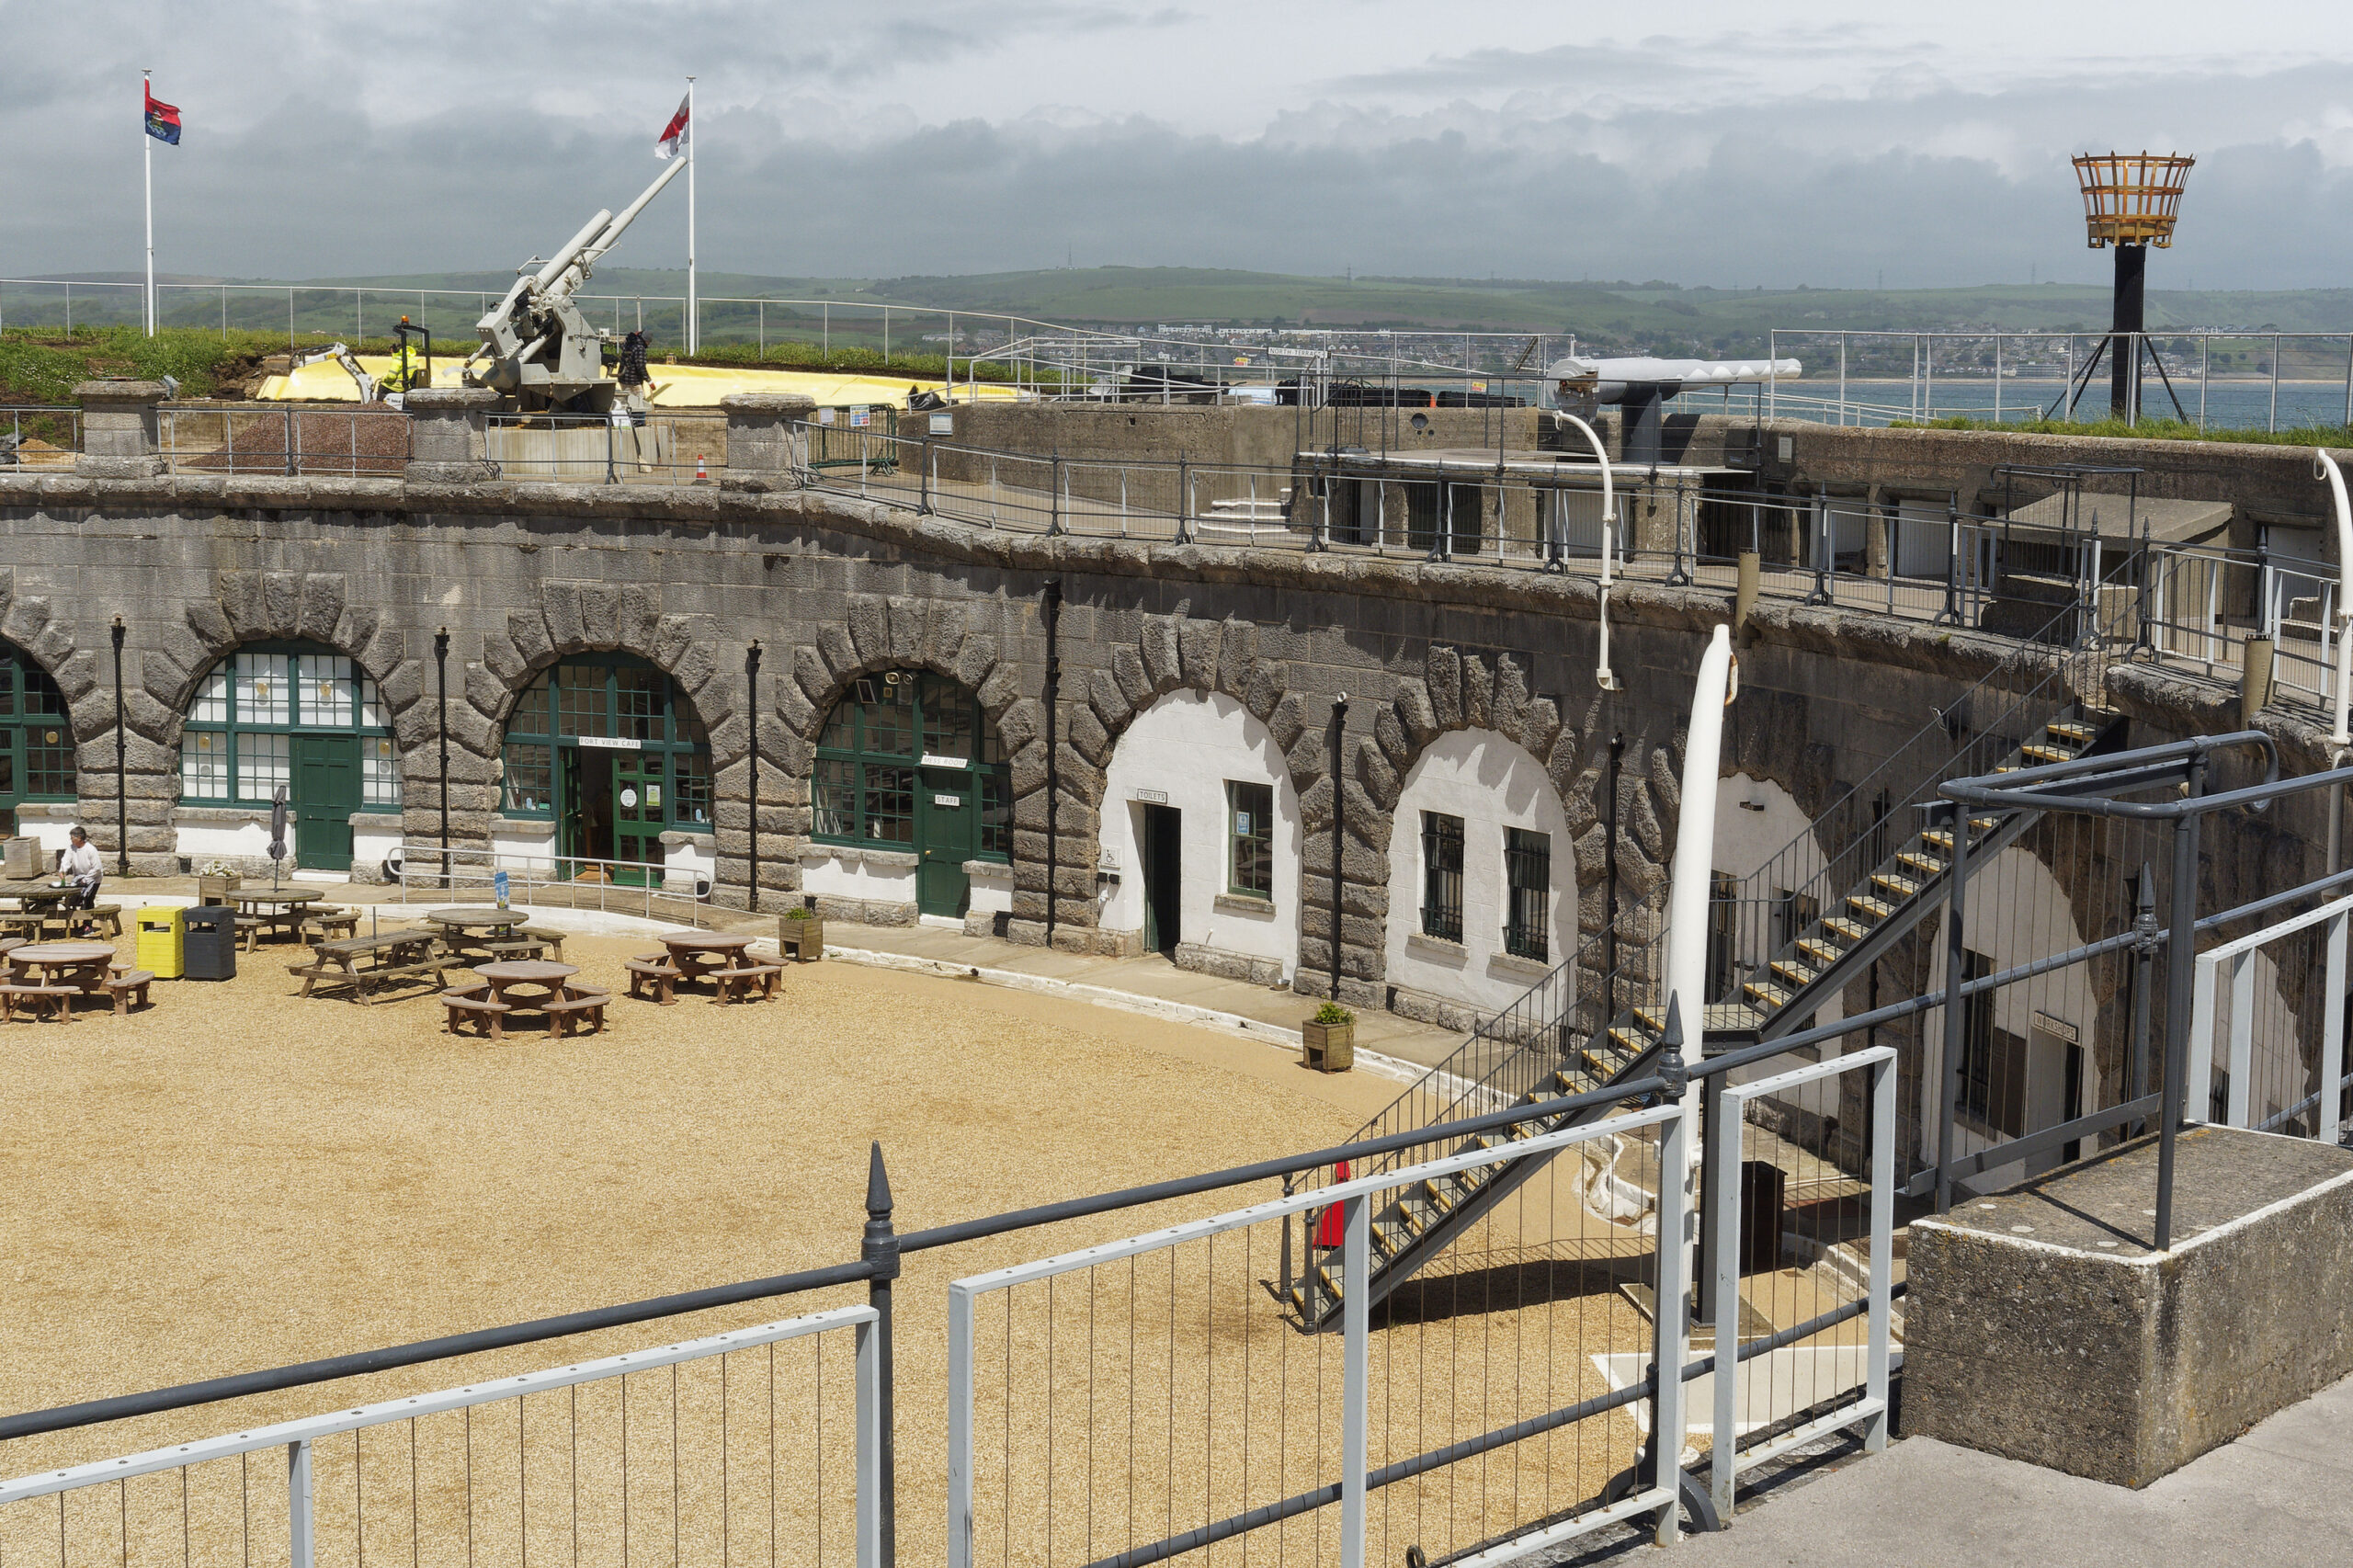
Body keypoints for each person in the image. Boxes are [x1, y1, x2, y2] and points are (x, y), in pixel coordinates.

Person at [59, 825, 102, 937]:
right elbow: (66, 860)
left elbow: (97, 868)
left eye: (73, 837)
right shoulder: (71, 848)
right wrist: (63, 870)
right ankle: (78, 923)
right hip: (78, 876)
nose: (71, 839)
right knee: (74, 899)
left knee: (88, 899)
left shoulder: (90, 849)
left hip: (93, 878)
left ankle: (88, 925)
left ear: (79, 837)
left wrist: (87, 879)